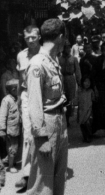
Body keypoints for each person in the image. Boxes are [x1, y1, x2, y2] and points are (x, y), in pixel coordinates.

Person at [26, 18, 68, 195]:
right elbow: (34, 103)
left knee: (59, 179)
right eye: (64, 37)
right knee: (42, 184)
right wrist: (41, 136)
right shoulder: (37, 64)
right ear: (60, 37)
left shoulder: (53, 60)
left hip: (60, 121)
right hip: (46, 124)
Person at [15, 25, 41, 192]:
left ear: (39, 37)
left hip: (44, 97)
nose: (30, 40)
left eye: (33, 37)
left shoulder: (46, 54)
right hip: (26, 95)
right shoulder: (21, 56)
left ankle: (43, 171)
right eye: (27, 38)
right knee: (28, 135)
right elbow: (20, 79)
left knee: (44, 132)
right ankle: (26, 174)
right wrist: (18, 98)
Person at [59, 40, 81, 126]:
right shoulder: (59, 59)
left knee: (70, 99)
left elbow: (78, 72)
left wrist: (80, 83)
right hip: (62, 79)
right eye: (65, 48)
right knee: (62, 99)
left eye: (68, 47)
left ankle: (68, 118)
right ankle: (64, 118)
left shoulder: (74, 59)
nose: (67, 49)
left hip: (70, 79)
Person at [0, 79, 20, 173]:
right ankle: (10, 166)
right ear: (11, 90)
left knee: (15, 146)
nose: (18, 90)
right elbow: (2, 116)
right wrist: (2, 129)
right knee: (12, 147)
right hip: (10, 129)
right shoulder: (6, 100)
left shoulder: (16, 98)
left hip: (16, 128)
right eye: (15, 89)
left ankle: (10, 161)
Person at [78, 76, 95, 143]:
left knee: (88, 123)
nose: (87, 83)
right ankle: (84, 136)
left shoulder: (91, 91)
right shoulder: (79, 91)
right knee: (82, 124)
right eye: (85, 81)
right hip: (81, 110)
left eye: (89, 82)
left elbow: (93, 99)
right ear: (82, 82)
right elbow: (76, 99)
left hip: (89, 110)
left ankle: (89, 136)